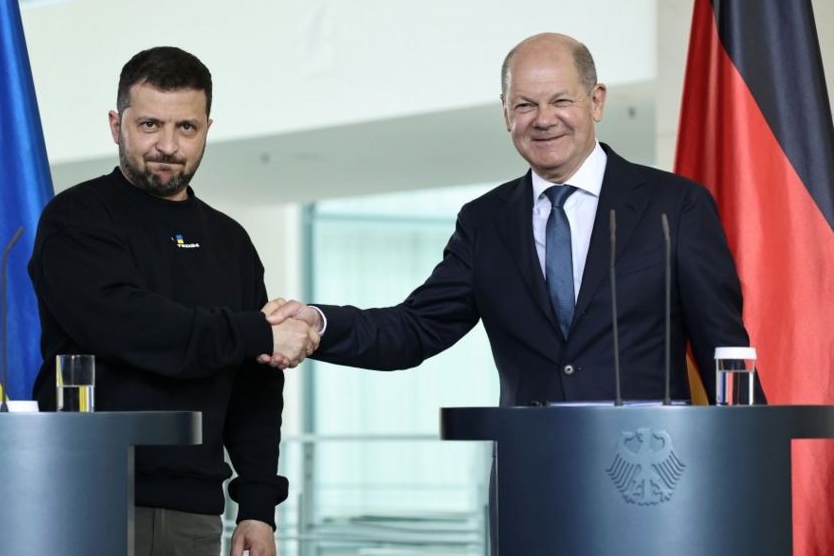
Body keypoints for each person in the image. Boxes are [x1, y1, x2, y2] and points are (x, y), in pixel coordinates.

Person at [263, 32, 760, 405]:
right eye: (525, 105)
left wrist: (746, 475)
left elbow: (726, 352)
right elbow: (414, 329)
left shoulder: (675, 206)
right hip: (531, 481)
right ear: (506, 112)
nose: (544, 119)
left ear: (597, 100)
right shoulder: (484, 222)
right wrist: (318, 323)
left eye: (561, 100)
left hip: (655, 477)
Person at [29, 46, 317, 556]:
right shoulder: (76, 219)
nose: (167, 145)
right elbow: (132, 326)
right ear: (117, 125)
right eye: (149, 126)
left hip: (196, 514)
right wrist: (256, 331)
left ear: (208, 127)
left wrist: (256, 506)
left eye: (186, 127)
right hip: (84, 499)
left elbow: (255, 383)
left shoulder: (231, 241)